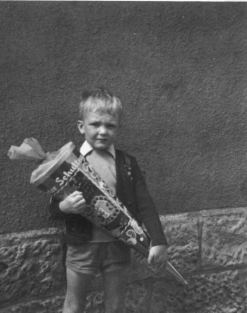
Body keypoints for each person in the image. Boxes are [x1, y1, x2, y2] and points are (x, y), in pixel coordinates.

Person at [49, 88, 168, 313]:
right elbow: (54, 207)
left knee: (116, 306)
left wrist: (159, 240)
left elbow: (145, 204)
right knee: (74, 305)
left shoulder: (127, 164)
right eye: (95, 124)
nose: (103, 131)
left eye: (110, 126)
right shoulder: (69, 162)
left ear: (118, 128)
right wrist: (64, 207)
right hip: (82, 246)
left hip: (119, 246)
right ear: (81, 126)